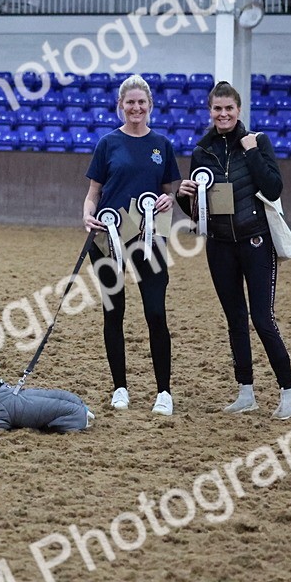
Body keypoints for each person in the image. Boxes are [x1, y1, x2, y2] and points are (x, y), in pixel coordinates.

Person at [177, 81, 291, 420]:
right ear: (210, 111)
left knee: (262, 319)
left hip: (256, 242)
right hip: (219, 246)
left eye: (228, 108)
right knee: (235, 320)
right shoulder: (202, 151)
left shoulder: (258, 142)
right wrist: (183, 196)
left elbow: (273, 188)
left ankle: (288, 393)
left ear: (239, 109)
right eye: (217, 109)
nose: (223, 114)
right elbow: (197, 214)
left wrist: (250, 151)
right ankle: (245, 392)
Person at [82, 75, 181, 416]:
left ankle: (164, 392)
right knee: (114, 312)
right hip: (107, 237)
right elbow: (93, 194)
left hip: (150, 237)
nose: (136, 108)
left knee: (155, 312)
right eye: (130, 102)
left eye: (141, 102)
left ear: (149, 106)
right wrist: (87, 215)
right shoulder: (107, 143)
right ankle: (120, 388)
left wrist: (169, 199)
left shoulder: (162, 145)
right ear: (120, 106)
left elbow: (168, 191)